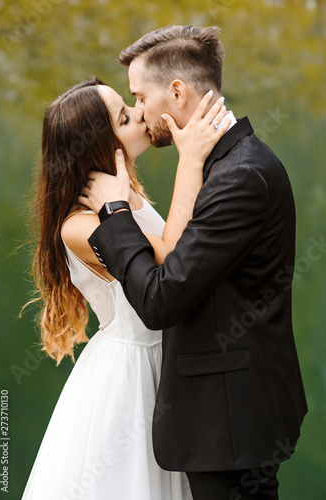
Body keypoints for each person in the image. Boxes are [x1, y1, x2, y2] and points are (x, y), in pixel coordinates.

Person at [81, 26, 308, 500]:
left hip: (228, 426)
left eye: (140, 96)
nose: (139, 112)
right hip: (223, 422)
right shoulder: (222, 164)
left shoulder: (239, 177)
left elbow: (162, 298)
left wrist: (115, 213)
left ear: (177, 93)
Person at [21, 75, 230, 500]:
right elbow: (172, 256)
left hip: (164, 360)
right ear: (100, 145)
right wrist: (189, 160)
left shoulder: (125, 194)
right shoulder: (80, 227)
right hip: (132, 377)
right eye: (124, 116)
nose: (139, 114)